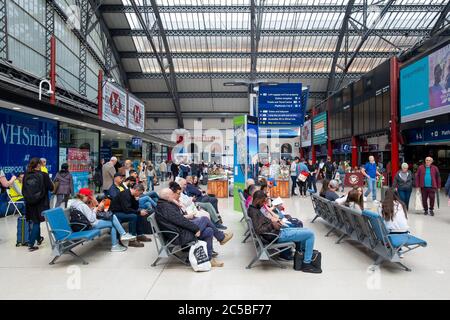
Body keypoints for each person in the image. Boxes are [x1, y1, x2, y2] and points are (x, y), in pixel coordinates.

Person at [247, 190, 321, 273]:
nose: (264, 203)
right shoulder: (254, 212)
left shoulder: (253, 209)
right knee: (310, 234)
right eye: (263, 201)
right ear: (257, 200)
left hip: (277, 232)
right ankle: (306, 264)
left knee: (306, 231)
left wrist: (273, 222)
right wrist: (272, 225)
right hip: (277, 236)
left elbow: (261, 225)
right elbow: (259, 229)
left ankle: (303, 257)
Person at [155, 188, 227, 267]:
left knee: (209, 230)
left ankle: (209, 259)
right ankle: (221, 237)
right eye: (172, 194)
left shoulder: (164, 205)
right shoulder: (166, 208)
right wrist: (195, 229)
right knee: (204, 219)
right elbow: (180, 220)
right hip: (178, 235)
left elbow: (178, 219)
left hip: (178, 232)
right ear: (168, 197)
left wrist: (175, 203)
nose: (174, 195)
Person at [70, 188, 136, 251]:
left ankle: (122, 235)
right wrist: (96, 208)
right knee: (113, 222)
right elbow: (92, 219)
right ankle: (116, 243)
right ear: (84, 196)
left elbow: (86, 215)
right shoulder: (82, 205)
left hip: (82, 224)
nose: (89, 199)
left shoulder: (74, 203)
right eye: (88, 197)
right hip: (90, 225)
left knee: (112, 218)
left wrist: (93, 209)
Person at [22, 157, 53, 252]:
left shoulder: (26, 175)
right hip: (41, 203)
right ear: (39, 165)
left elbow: (23, 189)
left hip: (29, 202)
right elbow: (51, 188)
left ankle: (38, 239)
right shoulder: (44, 175)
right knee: (36, 222)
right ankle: (31, 244)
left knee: (35, 221)